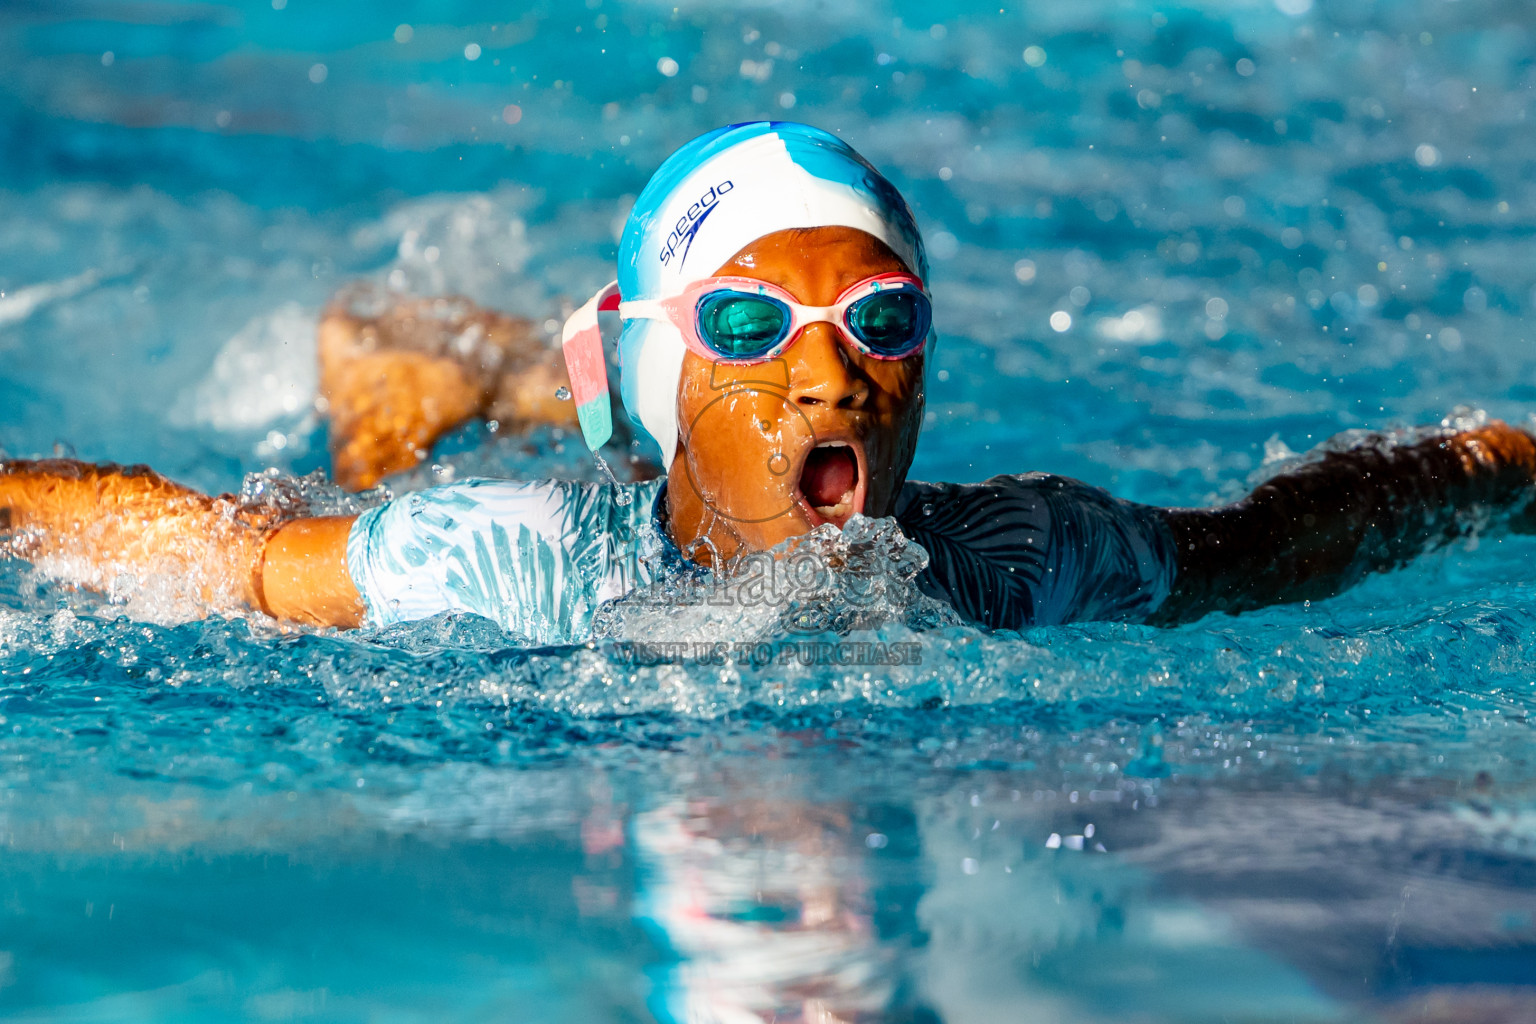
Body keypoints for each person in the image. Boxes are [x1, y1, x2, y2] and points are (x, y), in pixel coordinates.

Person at [3, 121, 1536, 641]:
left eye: (881, 319)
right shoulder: (520, 563)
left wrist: (1493, 463)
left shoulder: (1011, 561)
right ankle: (451, 360)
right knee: (387, 436)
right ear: (675, 358)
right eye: (748, 325)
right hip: (597, 435)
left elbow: (1269, 542)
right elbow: (222, 556)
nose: (834, 375)